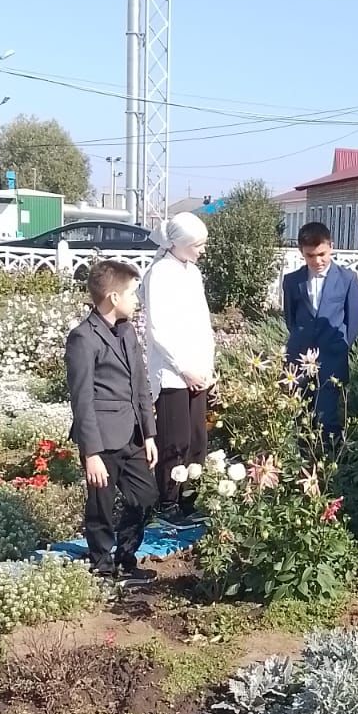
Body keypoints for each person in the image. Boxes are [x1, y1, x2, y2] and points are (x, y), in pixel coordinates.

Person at [65, 260, 158, 585]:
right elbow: (82, 399)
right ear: (114, 298)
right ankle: (102, 567)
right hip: (101, 440)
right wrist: (90, 453)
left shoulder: (128, 331)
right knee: (101, 507)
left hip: (132, 435)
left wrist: (149, 433)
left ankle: (126, 557)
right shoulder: (82, 338)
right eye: (133, 293)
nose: (138, 300)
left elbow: (140, 383)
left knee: (145, 496)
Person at [141, 212, 215, 518]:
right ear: (178, 243)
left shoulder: (192, 273)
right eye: (197, 245)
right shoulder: (159, 273)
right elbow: (159, 330)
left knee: (197, 439)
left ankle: (190, 497)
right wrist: (184, 368)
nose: (202, 250)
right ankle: (167, 502)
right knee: (175, 440)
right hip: (173, 374)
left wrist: (208, 369)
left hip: (198, 372)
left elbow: (202, 323)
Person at [283, 221, 358, 441]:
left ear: (331, 247)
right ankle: (300, 463)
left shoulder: (348, 280)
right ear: (301, 253)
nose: (317, 261)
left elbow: (353, 321)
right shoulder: (292, 281)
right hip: (298, 357)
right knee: (298, 414)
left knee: (327, 417)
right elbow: (290, 317)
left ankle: (330, 464)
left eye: (322, 254)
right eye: (310, 256)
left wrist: (340, 347)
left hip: (332, 357)